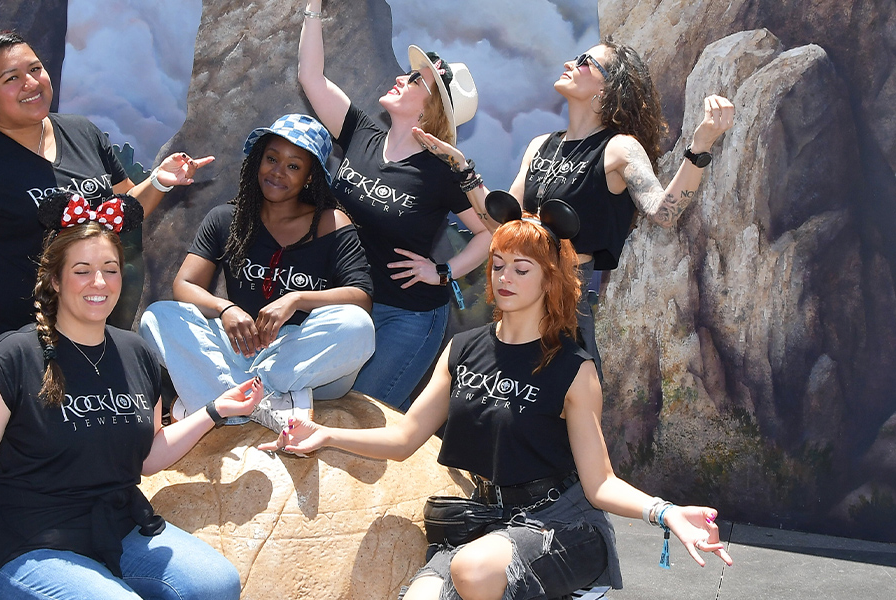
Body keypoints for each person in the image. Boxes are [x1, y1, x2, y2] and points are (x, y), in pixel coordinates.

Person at [264, 210, 733, 600]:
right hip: (486, 522)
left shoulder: (574, 369)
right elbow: (405, 438)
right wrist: (323, 435)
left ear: (550, 280)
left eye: (521, 268)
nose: (505, 277)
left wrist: (665, 512)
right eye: (497, 264)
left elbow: (600, 483)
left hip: (561, 524)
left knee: (472, 569)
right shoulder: (462, 349)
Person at [0, 29, 213, 532]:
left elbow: (120, 217)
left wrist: (160, 182)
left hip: (75, 342)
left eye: (36, 69)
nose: (31, 83)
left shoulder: (82, 133)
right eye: (11, 78)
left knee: (67, 478)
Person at [0, 205, 258, 600]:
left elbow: (147, 456)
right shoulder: (13, 357)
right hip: (28, 544)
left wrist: (215, 410)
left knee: (216, 584)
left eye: (110, 268)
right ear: (55, 279)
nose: (98, 281)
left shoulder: (137, 354)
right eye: (82, 270)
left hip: (117, 529)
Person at [414, 37, 735, 380]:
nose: (571, 62)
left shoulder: (619, 149)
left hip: (564, 308)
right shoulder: (541, 145)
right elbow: (502, 226)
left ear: (608, 88)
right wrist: (462, 169)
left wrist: (700, 147)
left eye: (586, 62)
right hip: (517, 302)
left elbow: (664, 213)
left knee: (557, 411)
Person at [297, 0, 492, 410]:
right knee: (315, 410)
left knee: (360, 417)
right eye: (407, 74)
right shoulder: (361, 134)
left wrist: (442, 273)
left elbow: (491, 233)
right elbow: (310, 77)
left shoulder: (442, 170)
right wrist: (313, 6)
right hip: (344, 303)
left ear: (432, 108)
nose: (401, 79)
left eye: (415, 81)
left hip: (406, 317)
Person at [140, 114, 375, 432]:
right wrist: (226, 308)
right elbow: (185, 285)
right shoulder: (226, 218)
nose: (278, 172)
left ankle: (224, 398)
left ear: (310, 177)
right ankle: (260, 401)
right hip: (239, 349)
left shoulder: (331, 222)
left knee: (357, 326)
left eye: (294, 166)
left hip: (303, 362)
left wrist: (296, 299)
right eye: (271, 159)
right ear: (257, 161)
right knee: (157, 318)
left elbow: (360, 297)